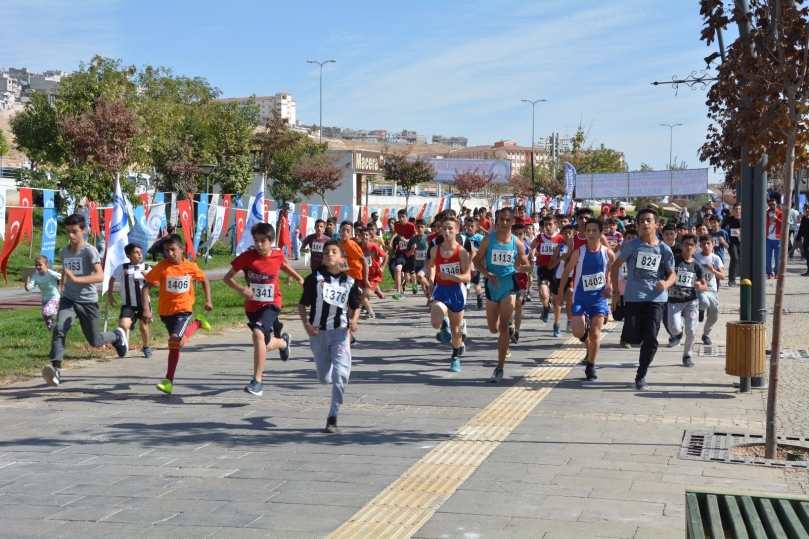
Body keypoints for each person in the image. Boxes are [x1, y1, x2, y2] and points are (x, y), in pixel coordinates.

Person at [43, 214, 128, 387]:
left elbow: (100, 275)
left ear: (84, 230)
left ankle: (117, 337)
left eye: (75, 232)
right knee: (59, 329)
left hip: (88, 301)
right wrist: (64, 287)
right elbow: (67, 271)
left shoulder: (90, 250)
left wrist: (76, 279)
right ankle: (56, 370)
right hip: (69, 299)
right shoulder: (63, 252)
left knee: (95, 340)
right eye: (68, 232)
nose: (71, 236)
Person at [224, 223, 303, 396]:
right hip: (252, 306)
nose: (259, 245)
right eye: (256, 241)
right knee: (264, 344)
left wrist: (297, 277)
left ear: (271, 241)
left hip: (272, 303)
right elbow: (227, 277)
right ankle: (283, 342)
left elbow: (283, 264)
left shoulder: (278, 255)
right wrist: (240, 289)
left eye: (263, 241)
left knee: (258, 334)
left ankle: (257, 382)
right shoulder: (246, 257)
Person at [606, 208, 676, 390]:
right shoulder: (631, 246)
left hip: (656, 297)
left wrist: (666, 284)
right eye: (641, 221)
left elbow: (672, 275)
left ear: (656, 224)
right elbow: (615, 267)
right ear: (637, 225)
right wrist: (615, 292)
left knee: (651, 337)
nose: (645, 223)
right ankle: (637, 337)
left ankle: (641, 374)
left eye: (649, 220)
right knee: (633, 336)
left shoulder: (664, 249)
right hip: (633, 297)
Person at [298, 240, 362, 433]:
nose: (330, 254)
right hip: (318, 334)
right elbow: (302, 305)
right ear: (323, 258)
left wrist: (354, 321)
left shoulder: (350, 281)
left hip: (340, 333)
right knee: (324, 378)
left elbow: (356, 305)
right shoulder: (313, 279)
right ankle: (329, 371)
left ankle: (333, 416)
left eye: (334, 251)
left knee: (341, 375)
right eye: (326, 252)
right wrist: (307, 325)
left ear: (342, 258)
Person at [141, 234, 213, 394]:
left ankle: (168, 381)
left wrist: (208, 300)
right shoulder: (162, 267)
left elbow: (204, 279)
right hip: (166, 312)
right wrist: (146, 308)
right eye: (167, 251)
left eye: (173, 250)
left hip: (184, 309)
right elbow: (146, 287)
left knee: (174, 340)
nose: (170, 254)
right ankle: (198, 323)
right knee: (178, 344)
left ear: (181, 249)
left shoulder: (190, 266)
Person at [473, 207, 531, 383]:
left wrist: (519, 268)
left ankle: (499, 367)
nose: (504, 223)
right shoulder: (488, 240)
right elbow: (476, 261)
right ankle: (508, 328)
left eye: (508, 220)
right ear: (496, 221)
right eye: (501, 220)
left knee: (504, 326)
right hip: (492, 286)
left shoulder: (517, 243)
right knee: (494, 328)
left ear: (513, 222)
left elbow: (528, 266)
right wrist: (487, 274)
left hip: (508, 286)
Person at [557, 219, 615, 382]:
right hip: (580, 298)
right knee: (577, 332)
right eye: (587, 230)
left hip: (599, 299)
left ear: (601, 233)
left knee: (596, 334)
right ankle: (585, 337)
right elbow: (566, 272)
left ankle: (591, 365)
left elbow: (612, 272)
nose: (590, 233)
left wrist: (610, 286)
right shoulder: (579, 252)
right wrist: (561, 293)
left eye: (594, 230)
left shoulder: (607, 253)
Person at [427, 215, 472, 372]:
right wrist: (431, 281)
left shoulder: (462, 252)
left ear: (457, 230)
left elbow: (468, 276)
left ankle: (455, 357)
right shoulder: (435, 250)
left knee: (456, 329)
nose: (446, 231)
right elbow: (431, 266)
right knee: (435, 322)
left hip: (457, 291)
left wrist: (452, 276)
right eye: (444, 228)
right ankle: (442, 325)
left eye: (450, 228)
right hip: (441, 290)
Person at [665, 234, 708, 366]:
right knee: (674, 330)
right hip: (674, 301)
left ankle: (687, 355)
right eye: (686, 244)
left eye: (691, 245)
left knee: (691, 331)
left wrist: (700, 286)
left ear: (695, 248)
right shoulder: (674, 261)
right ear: (681, 245)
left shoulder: (697, 265)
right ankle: (681, 321)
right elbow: (664, 274)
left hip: (691, 302)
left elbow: (705, 286)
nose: (688, 247)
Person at [108, 244, 153, 358]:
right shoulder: (123, 268)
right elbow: (112, 279)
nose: (139, 255)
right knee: (123, 325)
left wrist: (149, 278)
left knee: (144, 327)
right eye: (136, 252)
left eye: (140, 252)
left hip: (144, 304)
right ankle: (123, 341)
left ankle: (146, 347)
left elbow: (156, 283)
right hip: (128, 304)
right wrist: (110, 295)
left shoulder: (147, 268)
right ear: (128, 255)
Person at [694, 234, 724, 346]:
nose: (706, 246)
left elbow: (722, 276)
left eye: (708, 244)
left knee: (714, 314)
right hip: (700, 288)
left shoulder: (715, 258)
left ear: (712, 245)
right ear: (700, 245)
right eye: (703, 244)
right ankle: (701, 309)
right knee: (703, 303)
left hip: (712, 289)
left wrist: (713, 270)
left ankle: (706, 334)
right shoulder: (696, 257)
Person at [612, 227, 639, 348]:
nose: (631, 240)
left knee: (629, 316)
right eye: (628, 238)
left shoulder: (640, 256)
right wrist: (613, 289)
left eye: (634, 238)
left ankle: (624, 338)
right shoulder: (618, 255)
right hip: (619, 290)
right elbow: (610, 271)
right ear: (624, 240)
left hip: (632, 291)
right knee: (618, 316)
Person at [25, 255, 61, 331]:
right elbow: (29, 288)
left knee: (45, 311)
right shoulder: (36, 275)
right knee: (45, 315)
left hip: (54, 298)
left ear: (46, 265)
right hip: (45, 299)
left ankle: (60, 311)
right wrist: (26, 285)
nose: (38, 267)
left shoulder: (51, 274)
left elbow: (62, 277)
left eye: (40, 265)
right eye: (36, 265)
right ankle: (53, 329)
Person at [360, 227, 388, 318]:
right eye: (363, 235)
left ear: (370, 237)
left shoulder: (374, 246)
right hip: (363, 275)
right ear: (360, 236)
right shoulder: (359, 248)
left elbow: (386, 256)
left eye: (366, 235)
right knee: (360, 294)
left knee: (366, 293)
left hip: (374, 275)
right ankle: (369, 311)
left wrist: (382, 267)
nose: (365, 237)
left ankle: (370, 311)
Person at [392, 210, 417, 300]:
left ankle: (414, 283)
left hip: (410, 252)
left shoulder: (411, 225)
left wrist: (406, 241)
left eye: (403, 217)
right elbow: (395, 234)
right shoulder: (397, 226)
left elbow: (416, 237)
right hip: (401, 251)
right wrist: (391, 242)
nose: (401, 219)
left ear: (406, 217)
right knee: (397, 269)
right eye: (399, 217)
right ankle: (399, 292)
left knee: (411, 274)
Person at [407, 219, 431, 305]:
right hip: (418, 264)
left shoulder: (429, 238)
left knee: (419, 277)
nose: (420, 229)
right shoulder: (412, 240)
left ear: (425, 228)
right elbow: (408, 254)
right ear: (415, 228)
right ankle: (430, 298)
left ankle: (430, 288)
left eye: (422, 227)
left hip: (428, 264)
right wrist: (412, 249)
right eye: (418, 227)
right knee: (422, 285)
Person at [765, 198, 782, 278]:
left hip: (778, 239)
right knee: (767, 257)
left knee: (777, 257)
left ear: (776, 204)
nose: (772, 206)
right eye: (770, 204)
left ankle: (777, 272)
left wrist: (777, 220)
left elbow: (785, 224)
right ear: (768, 205)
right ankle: (769, 273)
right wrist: (769, 222)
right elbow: (762, 225)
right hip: (768, 238)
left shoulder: (781, 213)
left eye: (773, 204)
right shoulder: (766, 214)